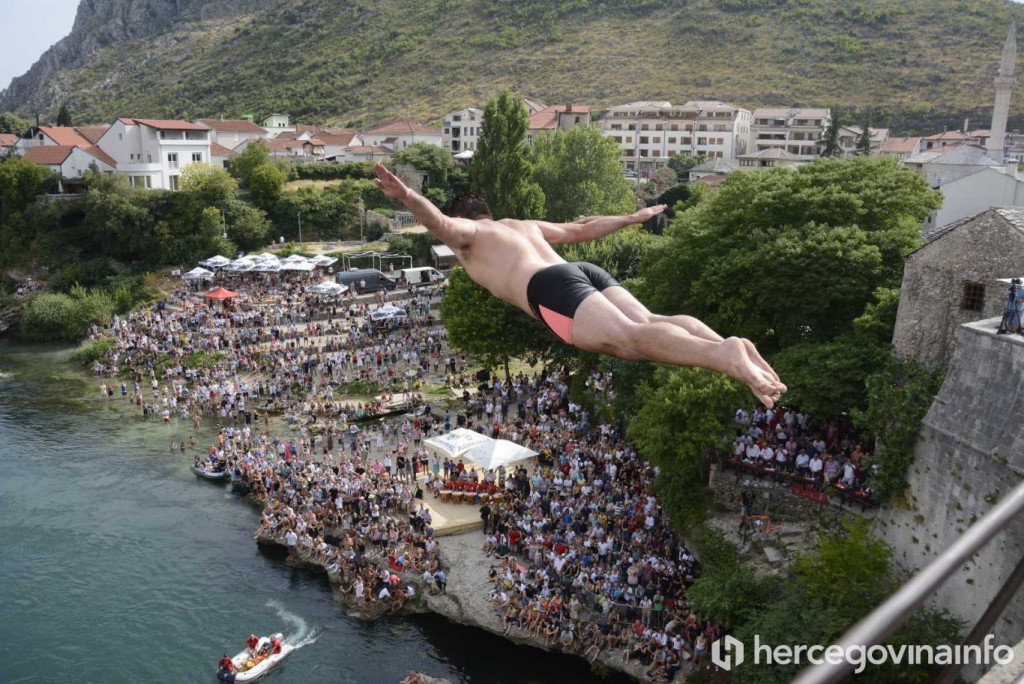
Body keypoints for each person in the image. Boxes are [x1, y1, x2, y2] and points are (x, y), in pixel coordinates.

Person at [373, 163, 785, 407]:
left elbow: (440, 224)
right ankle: (734, 348)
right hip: (580, 270)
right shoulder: (521, 226)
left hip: (548, 289)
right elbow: (583, 230)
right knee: (649, 320)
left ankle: (725, 355)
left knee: (628, 342)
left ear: (466, 217)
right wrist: (628, 218)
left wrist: (407, 194)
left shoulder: (470, 237)